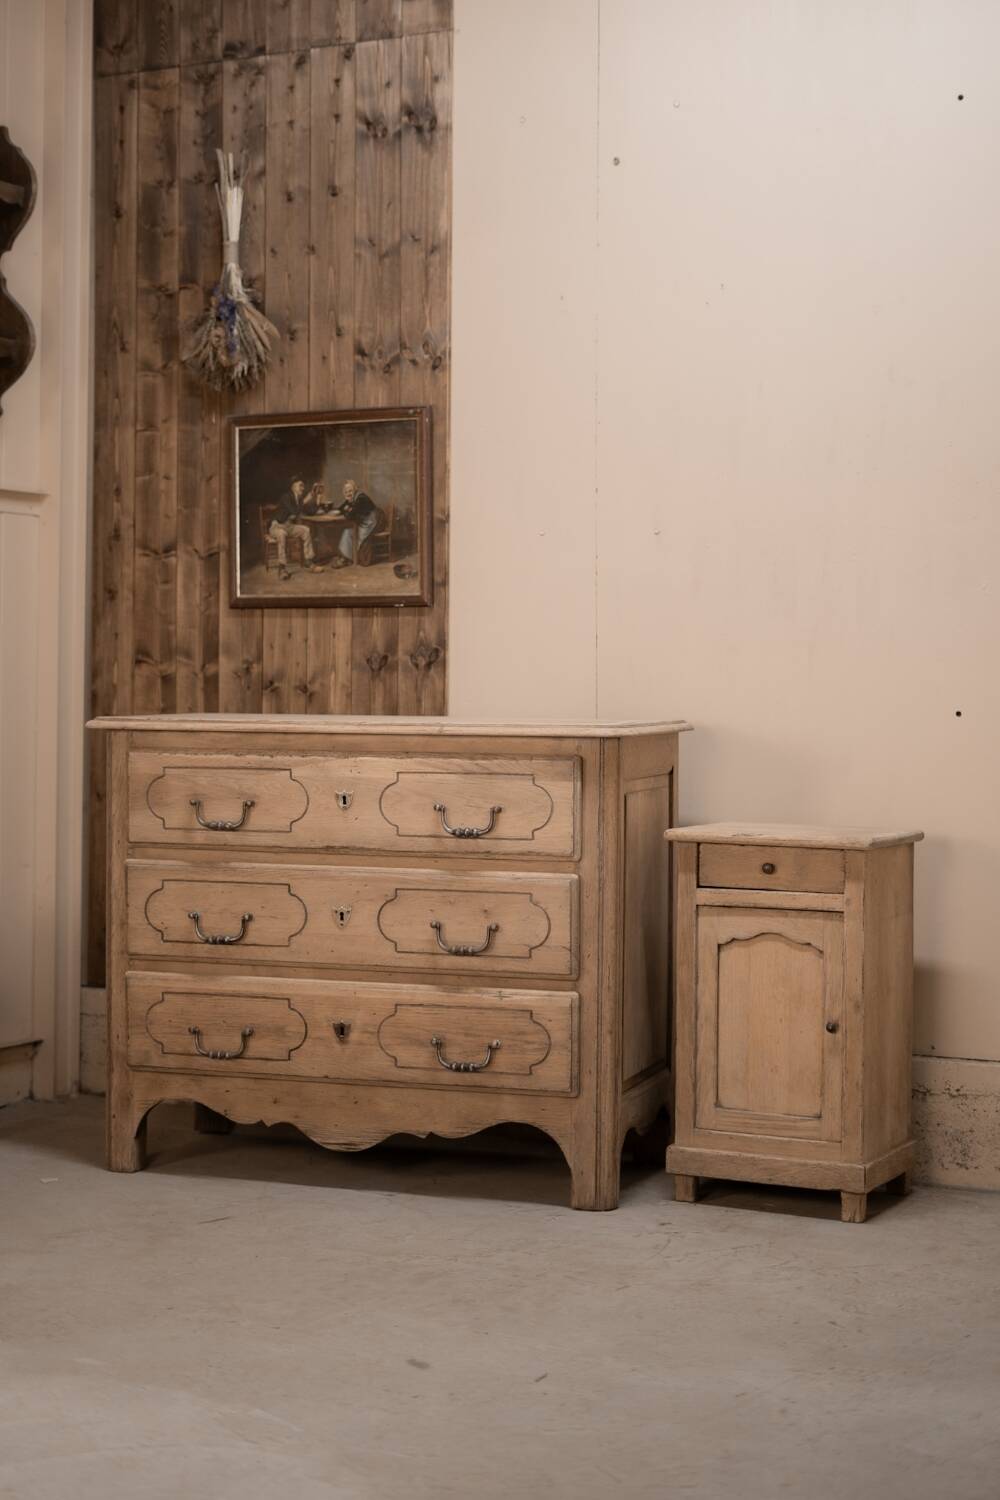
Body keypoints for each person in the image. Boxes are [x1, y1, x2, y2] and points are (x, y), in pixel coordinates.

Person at [269, 477, 324, 578]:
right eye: (300, 485)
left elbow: (310, 512)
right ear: (293, 486)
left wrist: (318, 500)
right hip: (277, 526)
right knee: (282, 534)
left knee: (306, 530)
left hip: (289, 526)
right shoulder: (286, 497)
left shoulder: (298, 499)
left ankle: (308, 561)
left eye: (303, 486)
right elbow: (294, 511)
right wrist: (305, 501)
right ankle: (282, 569)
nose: (303, 488)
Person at [329, 480, 380, 567]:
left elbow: (350, 516)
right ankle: (346, 558)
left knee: (357, 537)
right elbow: (342, 508)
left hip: (371, 524)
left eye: (350, 491)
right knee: (347, 532)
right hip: (363, 524)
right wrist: (343, 509)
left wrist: (346, 510)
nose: (348, 493)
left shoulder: (361, 498)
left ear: (355, 490)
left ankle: (348, 559)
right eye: (346, 492)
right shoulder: (352, 498)